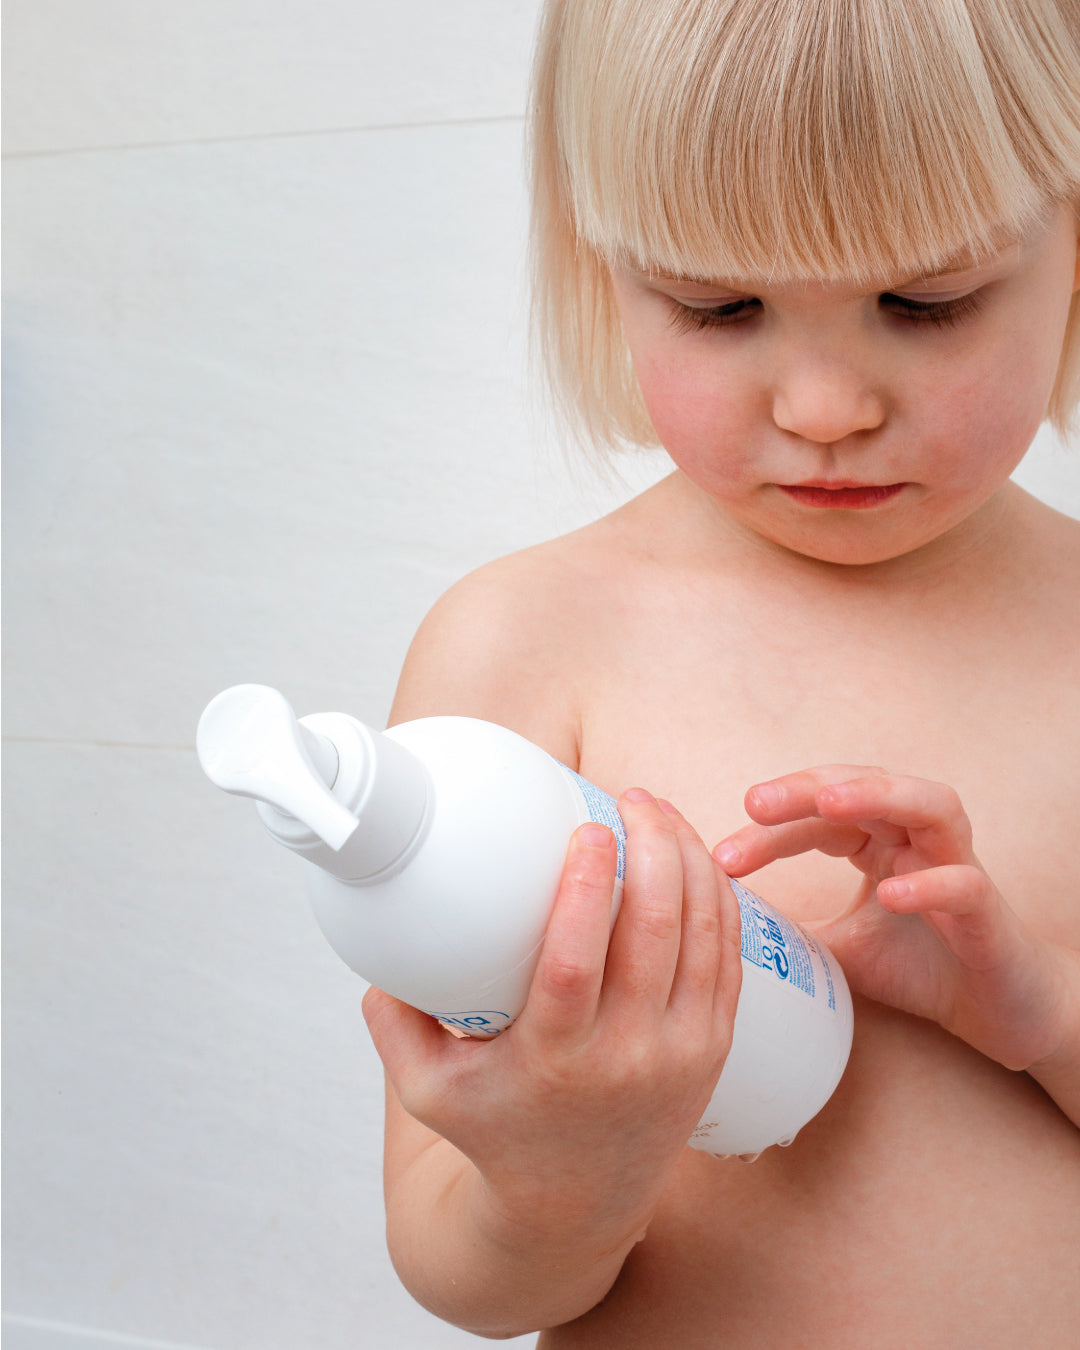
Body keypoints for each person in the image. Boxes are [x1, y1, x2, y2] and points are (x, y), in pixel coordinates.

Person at [361, 1, 1080, 1343]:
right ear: (603, 267)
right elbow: (451, 1266)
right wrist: (565, 1176)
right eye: (720, 304)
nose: (824, 408)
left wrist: (1041, 1008)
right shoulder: (525, 643)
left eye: (926, 301)